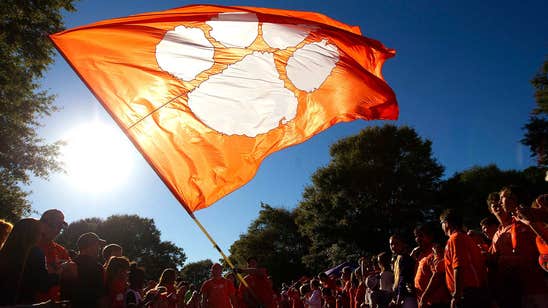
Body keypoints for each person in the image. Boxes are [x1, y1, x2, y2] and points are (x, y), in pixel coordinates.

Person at [489, 186, 548, 307]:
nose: (499, 202)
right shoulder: (516, 220)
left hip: (537, 284)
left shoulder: (532, 213)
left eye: (502, 198)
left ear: (512, 198)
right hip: (520, 288)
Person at [0, 218, 57, 305]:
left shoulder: (5, 252)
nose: (41, 237)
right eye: (41, 234)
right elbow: (43, 285)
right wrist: (58, 273)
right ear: (34, 234)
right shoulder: (36, 253)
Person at [440, 209, 487, 308]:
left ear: (447, 223)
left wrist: (457, 294)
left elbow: (459, 266)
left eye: (442, 223)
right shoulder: (463, 237)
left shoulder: (456, 238)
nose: (441, 227)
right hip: (469, 291)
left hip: (466, 293)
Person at [62, 232, 107, 307]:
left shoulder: (69, 265)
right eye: (98, 245)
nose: (99, 248)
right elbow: (101, 297)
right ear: (90, 246)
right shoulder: (97, 267)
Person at [37, 209, 71, 302]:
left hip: (53, 302)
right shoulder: (27, 246)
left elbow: (70, 277)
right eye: (52, 225)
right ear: (41, 224)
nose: (56, 229)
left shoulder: (61, 250)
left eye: (60, 226)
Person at [418, 232, 450, 308]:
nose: (418, 239)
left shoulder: (437, 253)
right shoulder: (423, 254)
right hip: (430, 301)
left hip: (436, 301)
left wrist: (424, 297)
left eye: (421, 236)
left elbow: (438, 276)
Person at [389, 234, 417, 308]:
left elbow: (403, 279)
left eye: (396, 243)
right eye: (391, 244)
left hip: (407, 298)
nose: (393, 246)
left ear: (403, 244)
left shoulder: (405, 259)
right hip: (402, 297)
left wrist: (398, 298)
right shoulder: (398, 258)